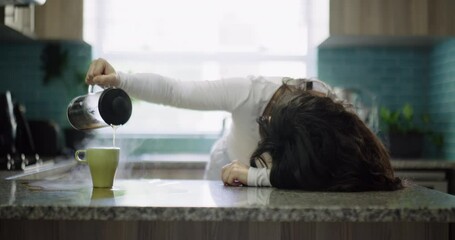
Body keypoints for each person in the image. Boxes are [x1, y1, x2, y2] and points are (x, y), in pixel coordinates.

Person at [85, 58, 403, 191]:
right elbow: (176, 91)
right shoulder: (247, 92)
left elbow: (315, 175)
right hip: (223, 169)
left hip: (268, 182)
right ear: (265, 118)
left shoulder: (319, 108)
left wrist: (256, 176)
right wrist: (121, 79)